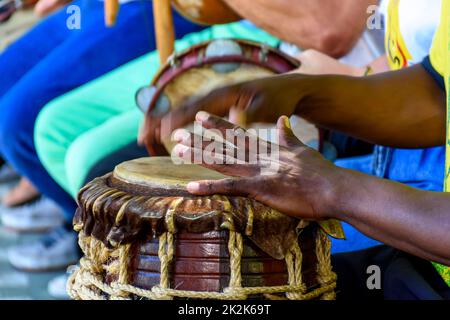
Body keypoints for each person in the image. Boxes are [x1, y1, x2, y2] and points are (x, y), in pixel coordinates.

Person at [31, 0, 377, 269]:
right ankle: (99, 252)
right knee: (57, 136)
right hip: (251, 37)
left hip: (318, 67)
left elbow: (329, 31)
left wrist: (317, 87)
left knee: (105, 178)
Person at [144, 0, 450, 300]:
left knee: (230, 275)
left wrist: (331, 189)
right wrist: (300, 93)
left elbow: (329, 28)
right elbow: (436, 95)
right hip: (427, 260)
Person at [0, 0, 205, 271]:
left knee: (19, 122)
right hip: (91, 6)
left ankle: (80, 233)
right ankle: (66, 205)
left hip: (167, 7)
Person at [291, 0, 443, 253]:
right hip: (396, 157)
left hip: (433, 178)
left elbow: (328, 33)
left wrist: (344, 79)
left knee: (275, 245)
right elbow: (424, 68)